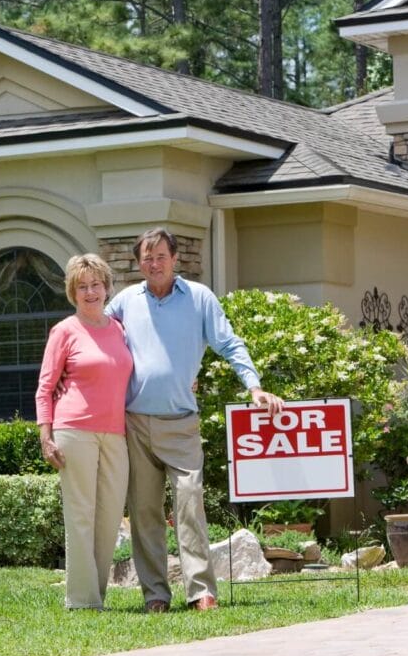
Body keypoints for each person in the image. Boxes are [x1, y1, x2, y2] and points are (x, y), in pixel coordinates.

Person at [106, 228, 283, 613]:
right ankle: (155, 594)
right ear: (140, 263)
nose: (154, 264)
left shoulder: (199, 298)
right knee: (145, 512)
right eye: (147, 258)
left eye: (161, 257)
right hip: (135, 421)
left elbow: (229, 343)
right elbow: (97, 339)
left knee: (189, 504)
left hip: (182, 423)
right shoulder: (124, 302)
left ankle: (201, 591)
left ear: (175, 260)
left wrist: (254, 386)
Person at [35, 253, 133, 611]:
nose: (90, 292)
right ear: (72, 293)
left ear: (107, 287)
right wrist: (45, 437)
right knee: (80, 515)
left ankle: (98, 595)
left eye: (96, 284)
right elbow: (45, 388)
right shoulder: (64, 331)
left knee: (108, 518)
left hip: (116, 433)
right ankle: (81, 600)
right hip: (73, 431)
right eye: (82, 286)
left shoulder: (120, 329)